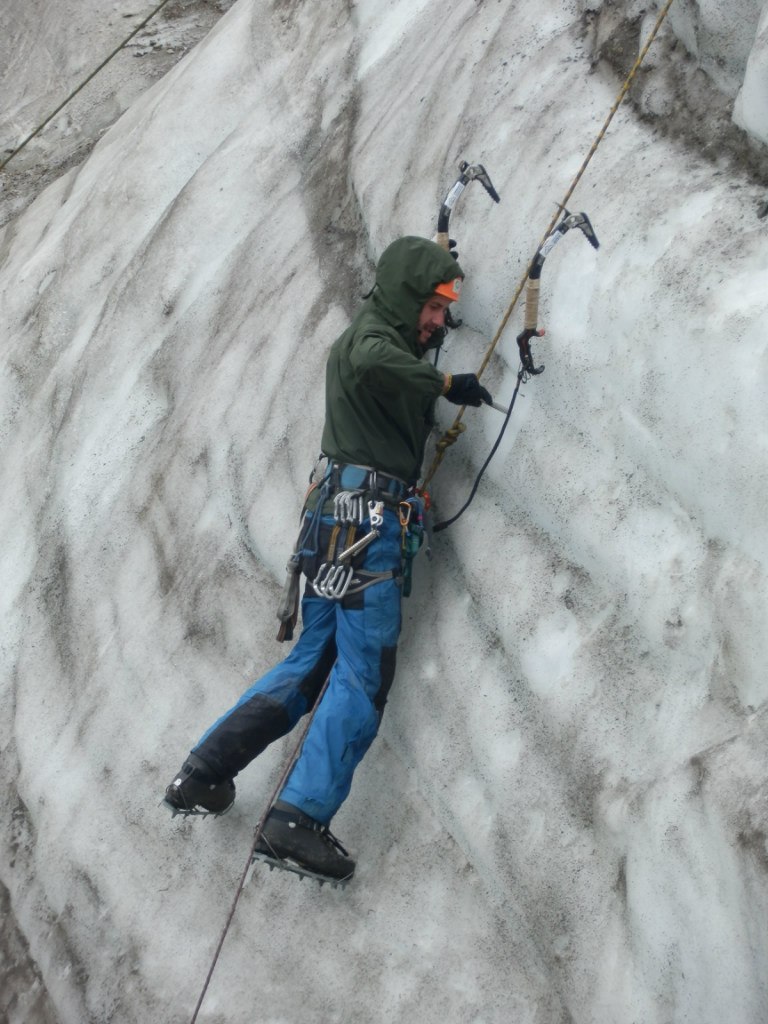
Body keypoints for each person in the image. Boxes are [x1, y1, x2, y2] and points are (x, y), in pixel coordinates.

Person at [164, 235, 492, 880]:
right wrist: (447, 382)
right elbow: (369, 358)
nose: (437, 321)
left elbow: (384, 361)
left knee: (313, 660)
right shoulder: (370, 339)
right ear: (403, 297)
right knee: (364, 671)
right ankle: (297, 819)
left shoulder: (389, 338)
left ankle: (203, 773)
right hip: (368, 523)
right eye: (431, 306)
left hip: (331, 521)